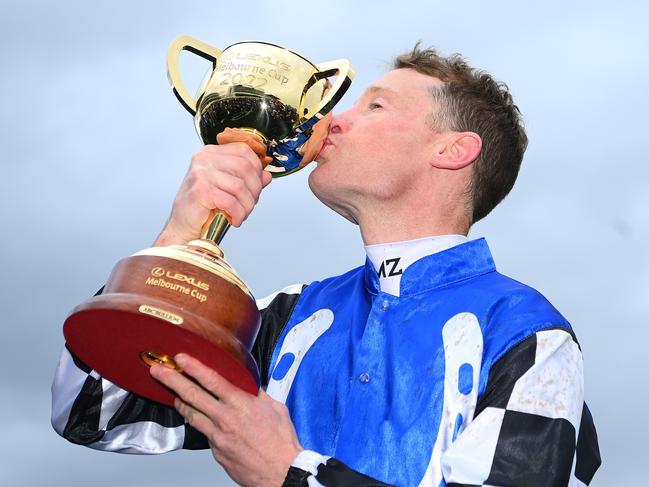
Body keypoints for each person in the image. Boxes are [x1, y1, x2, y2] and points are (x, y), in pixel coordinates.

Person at [51, 45, 601, 487]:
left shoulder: (529, 335)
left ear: (453, 151)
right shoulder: (283, 316)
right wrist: (178, 240)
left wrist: (290, 474)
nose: (332, 121)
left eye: (375, 106)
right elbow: (90, 410)